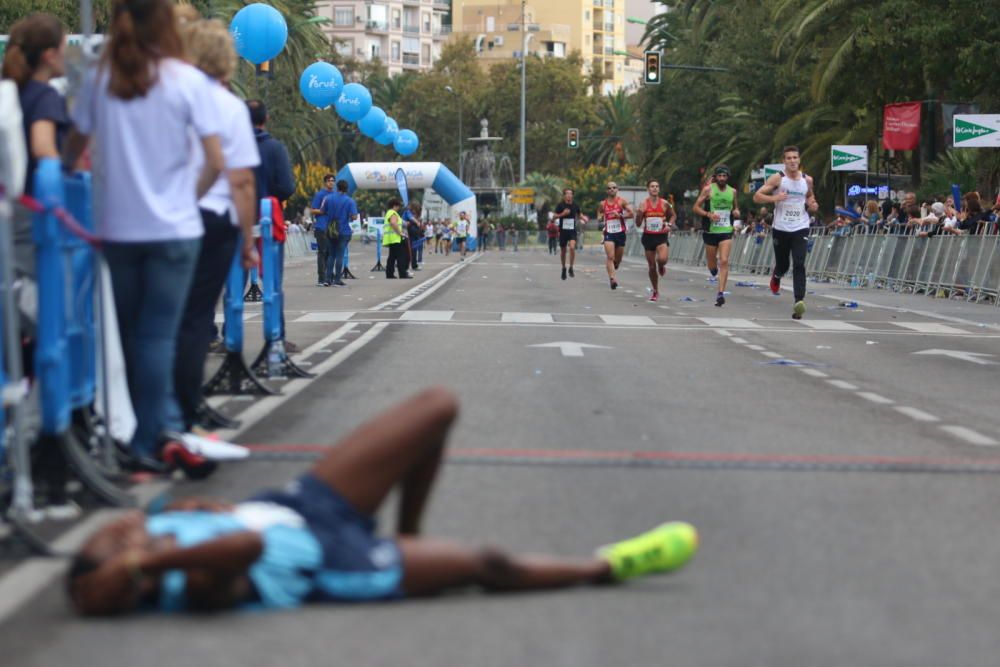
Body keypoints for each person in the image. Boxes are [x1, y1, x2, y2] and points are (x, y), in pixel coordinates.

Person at [66, 388, 698, 616]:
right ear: (123, 578)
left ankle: (409, 535)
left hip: (305, 501)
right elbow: (249, 547)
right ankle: (607, 564)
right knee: (488, 565)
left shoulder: (160, 543)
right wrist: (144, 560)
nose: (121, 529)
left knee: (438, 406)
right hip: (337, 557)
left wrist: (169, 525)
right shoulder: (187, 585)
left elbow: (240, 524)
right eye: (112, 544)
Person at [62, 0, 224, 465]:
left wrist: (66, 174)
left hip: (119, 228)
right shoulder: (186, 81)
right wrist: (187, 199)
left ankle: (135, 432)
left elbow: (76, 147)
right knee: (158, 338)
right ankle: (151, 438)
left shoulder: (99, 78)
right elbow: (215, 161)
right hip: (175, 229)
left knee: (130, 337)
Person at [171, 17, 259, 436]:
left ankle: (157, 409)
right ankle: (186, 409)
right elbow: (240, 180)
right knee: (195, 317)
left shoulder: (167, 96)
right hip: (213, 218)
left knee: (160, 318)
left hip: (166, 217)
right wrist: (248, 240)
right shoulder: (228, 107)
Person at [3, 12, 69, 280]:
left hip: (11, 205)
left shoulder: (10, 89)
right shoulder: (46, 96)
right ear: (49, 55)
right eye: (65, 49)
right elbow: (42, 146)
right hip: (35, 209)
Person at [247, 99, 296, 348]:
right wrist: (272, 196)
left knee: (233, 284)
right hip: (268, 221)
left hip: (239, 222)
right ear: (265, 119)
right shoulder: (275, 148)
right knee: (272, 284)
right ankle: (276, 336)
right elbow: (287, 187)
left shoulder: (232, 146)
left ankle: (225, 337)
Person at [753, 146, 819, 320]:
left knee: (799, 263)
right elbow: (757, 196)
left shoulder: (807, 180)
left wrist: (813, 205)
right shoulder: (778, 179)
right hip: (781, 228)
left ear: (799, 160)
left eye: (795, 157)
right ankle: (776, 276)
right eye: (788, 158)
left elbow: (810, 197)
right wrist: (774, 198)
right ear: (784, 161)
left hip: (801, 226)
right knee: (783, 264)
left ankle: (799, 302)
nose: (792, 161)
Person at [692, 166, 740, 307]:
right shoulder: (708, 190)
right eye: (719, 176)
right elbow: (695, 207)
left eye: (724, 176)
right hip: (710, 231)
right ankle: (712, 268)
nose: (722, 178)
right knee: (712, 264)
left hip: (726, 230)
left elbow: (736, 207)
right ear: (716, 177)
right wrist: (708, 215)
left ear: (727, 177)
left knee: (724, 261)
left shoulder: (733, 192)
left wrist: (736, 212)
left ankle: (720, 294)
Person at [635, 179, 676, 302]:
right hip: (648, 237)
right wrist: (639, 214)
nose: (655, 188)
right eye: (652, 186)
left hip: (661, 236)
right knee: (652, 266)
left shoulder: (664, 203)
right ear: (648, 189)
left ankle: (662, 266)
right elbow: (638, 224)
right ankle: (655, 290)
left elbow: (673, 215)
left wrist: (669, 224)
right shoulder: (643, 204)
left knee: (662, 259)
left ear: (659, 189)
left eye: (657, 186)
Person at [597, 181, 633, 290]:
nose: (612, 189)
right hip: (609, 233)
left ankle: (615, 266)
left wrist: (621, 216)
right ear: (606, 191)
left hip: (620, 233)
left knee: (617, 260)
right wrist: (600, 219)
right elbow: (599, 212)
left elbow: (631, 214)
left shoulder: (622, 201)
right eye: (609, 188)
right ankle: (612, 279)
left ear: (617, 189)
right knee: (610, 257)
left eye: (614, 187)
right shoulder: (603, 204)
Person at [321, 179, 358, 286]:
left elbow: (322, 211)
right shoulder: (350, 201)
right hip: (343, 231)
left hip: (330, 230)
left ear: (337, 187)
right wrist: (349, 216)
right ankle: (337, 279)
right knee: (340, 255)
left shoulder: (328, 198)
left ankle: (328, 279)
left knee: (331, 255)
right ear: (347, 189)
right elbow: (354, 216)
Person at [310, 175, 335, 286]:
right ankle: (321, 278)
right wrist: (324, 211)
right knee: (322, 252)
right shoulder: (320, 195)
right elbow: (313, 210)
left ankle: (330, 277)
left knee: (331, 253)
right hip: (321, 227)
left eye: (333, 181)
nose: (331, 183)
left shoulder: (335, 195)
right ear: (325, 182)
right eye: (329, 181)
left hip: (332, 228)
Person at [383, 198, 411, 279]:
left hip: (391, 239)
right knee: (401, 257)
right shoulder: (393, 213)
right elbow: (393, 223)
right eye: (398, 206)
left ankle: (389, 274)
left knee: (391, 257)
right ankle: (402, 274)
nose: (399, 208)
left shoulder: (388, 213)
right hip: (396, 238)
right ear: (395, 206)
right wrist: (400, 233)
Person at [405, 202, 424, 271]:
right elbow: (411, 220)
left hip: (414, 234)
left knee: (413, 250)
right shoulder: (408, 212)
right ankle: (407, 265)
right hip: (408, 233)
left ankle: (413, 265)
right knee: (409, 250)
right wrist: (417, 222)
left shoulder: (414, 214)